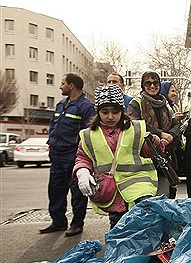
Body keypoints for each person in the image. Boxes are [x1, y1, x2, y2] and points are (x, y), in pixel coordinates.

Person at [73, 85, 158, 229]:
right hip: (112, 192)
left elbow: (147, 152)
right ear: (98, 112)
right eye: (105, 112)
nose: (110, 116)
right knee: (118, 228)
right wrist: (82, 172)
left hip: (138, 188)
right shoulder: (88, 135)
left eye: (115, 111)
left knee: (145, 226)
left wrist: (155, 143)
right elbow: (83, 157)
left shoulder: (136, 129)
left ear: (122, 111)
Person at [39, 73, 95, 236]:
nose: (60, 86)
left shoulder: (85, 107)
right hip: (56, 154)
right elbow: (53, 125)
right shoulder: (61, 104)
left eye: (62, 83)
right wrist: (51, 142)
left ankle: (77, 224)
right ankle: (58, 222)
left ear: (71, 86)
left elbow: (88, 132)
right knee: (55, 189)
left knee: (77, 192)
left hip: (73, 155)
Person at [127, 71, 181, 198]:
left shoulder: (165, 104)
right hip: (145, 159)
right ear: (142, 85)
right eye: (148, 83)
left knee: (168, 197)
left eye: (155, 83)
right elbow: (135, 125)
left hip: (166, 158)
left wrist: (170, 137)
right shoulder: (136, 103)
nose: (152, 86)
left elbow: (176, 124)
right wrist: (160, 134)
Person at [160, 80, 188, 182]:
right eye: (172, 91)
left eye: (175, 91)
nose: (175, 94)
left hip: (174, 147)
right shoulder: (162, 108)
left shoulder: (174, 106)